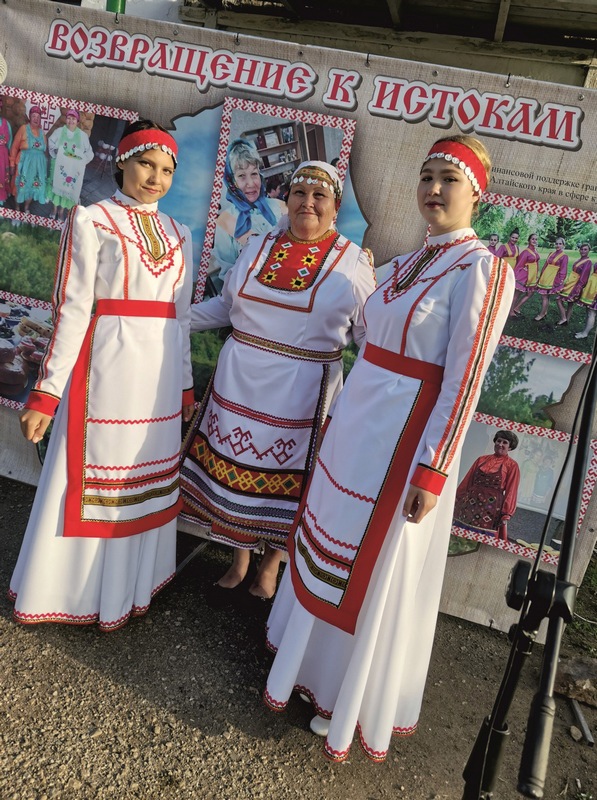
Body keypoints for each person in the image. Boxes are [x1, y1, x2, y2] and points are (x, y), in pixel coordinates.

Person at [263, 135, 514, 762]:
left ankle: (343, 695)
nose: (434, 189)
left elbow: (465, 379)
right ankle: (303, 665)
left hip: (407, 440)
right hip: (358, 428)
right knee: (330, 545)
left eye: (449, 179)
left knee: (375, 567)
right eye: (427, 176)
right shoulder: (403, 264)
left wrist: (434, 467)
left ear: (477, 195)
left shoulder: (480, 270)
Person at [9, 120, 194, 631]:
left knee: (139, 477)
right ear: (122, 163)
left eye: (166, 170)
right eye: (146, 164)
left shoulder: (180, 234)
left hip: (158, 382)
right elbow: (71, 310)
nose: (155, 178)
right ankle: (73, 594)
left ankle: (129, 589)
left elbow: (180, 320)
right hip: (107, 368)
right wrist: (46, 394)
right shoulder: (92, 220)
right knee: (91, 476)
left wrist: (184, 387)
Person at [180, 160, 376, 606]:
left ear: (335, 207)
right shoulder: (258, 246)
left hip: (302, 394)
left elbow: (368, 338)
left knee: (287, 484)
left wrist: (368, 396)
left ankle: (270, 566)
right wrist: (171, 319)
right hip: (239, 384)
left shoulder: (352, 263)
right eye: (299, 194)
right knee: (237, 476)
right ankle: (239, 560)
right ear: (286, 200)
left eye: (319, 196)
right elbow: (226, 307)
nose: (308, 203)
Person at [212, 138, 286, 287]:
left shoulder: (280, 207)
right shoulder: (225, 222)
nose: (250, 183)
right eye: (241, 176)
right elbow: (229, 278)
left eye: (254, 174)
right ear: (232, 182)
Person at [452, 430, 520, 542]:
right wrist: (456, 498)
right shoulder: (481, 459)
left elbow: (511, 491)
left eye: (504, 442)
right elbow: (468, 481)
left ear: (510, 447)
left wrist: (506, 513)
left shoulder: (512, 465)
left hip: (491, 508)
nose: (500, 444)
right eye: (498, 441)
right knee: (460, 537)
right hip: (469, 504)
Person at [47, 108, 94, 221]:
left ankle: (61, 212)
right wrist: (56, 151)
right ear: (66, 119)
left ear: (77, 121)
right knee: (56, 186)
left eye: (73, 119)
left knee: (66, 188)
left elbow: (89, 153)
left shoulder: (82, 136)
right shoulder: (59, 131)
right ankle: (54, 209)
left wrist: (81, 162)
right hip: (58, 165)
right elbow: (51, 142)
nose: (71, 121)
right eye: (69, 118)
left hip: (72, 169)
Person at [9, 104, 47, 213]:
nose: (36, 119)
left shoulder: (42, 133)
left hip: (36, 168)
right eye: (34, 116)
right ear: (30, 117)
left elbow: (44, 150)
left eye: (38, 117)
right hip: (24, 165)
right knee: (19, 187)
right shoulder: (23, 129)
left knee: (32, 187)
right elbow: (14, 147)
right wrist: (12, 163)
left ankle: (26, 208)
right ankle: (17, 209)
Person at [556, 242, 592, 326]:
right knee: (570, 303)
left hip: (575, 285)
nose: (583, 251)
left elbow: (584, 276)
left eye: (585, 249)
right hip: (570, 282)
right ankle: (566, 320)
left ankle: (564, 318)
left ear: (589, 251)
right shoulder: (579, 259)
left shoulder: (588, 262)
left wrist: (578, 287)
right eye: (581, 249)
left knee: (559, 299)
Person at [534, 237, 568, 321]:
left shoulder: (564, 256)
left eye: (560, 244)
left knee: (545, 296)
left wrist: (559, 281)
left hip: (553, 278)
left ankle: (542, 314)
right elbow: (545, 265)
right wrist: (541, 276)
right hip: (545, 277)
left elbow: (563, 270)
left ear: (563, 245)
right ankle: (544, 312)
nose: (558, 245)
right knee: (545, 296)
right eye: (556, 243)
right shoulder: (551, 253)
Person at [511, 233, 540, 316]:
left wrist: (536, 275)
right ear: (529, 240)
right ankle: (510, 311)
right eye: (533, 239)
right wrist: (516, 276)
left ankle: (517, 308)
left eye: (536, 239)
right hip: (524, 276)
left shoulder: (535, 251)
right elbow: (519, 264)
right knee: (517, 294)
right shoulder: (526, 252)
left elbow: (536, 263)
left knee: (530, 293)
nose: (534, 241)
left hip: (532, 276)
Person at [574, 259, 597, 339]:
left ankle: (585, 333)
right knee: (588, 311)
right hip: (592, 288)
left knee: (591, 312)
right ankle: (585, 330)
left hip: (595, 290)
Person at [0, 94, 12, 206]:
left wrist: (7, 155)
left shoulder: (5, 123)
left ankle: (1, 197)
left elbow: (10, 141)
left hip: (2, 155)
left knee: (2, 175)